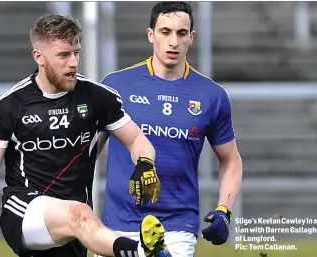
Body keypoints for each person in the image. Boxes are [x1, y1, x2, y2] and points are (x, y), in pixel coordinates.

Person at [0, 14, 171, 257]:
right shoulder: (9, 107)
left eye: (76, 53)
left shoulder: (98, 97)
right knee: (78, 213)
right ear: (39, 56)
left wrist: (145, 163)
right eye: (63, 55)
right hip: (24, 211)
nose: (73, 63)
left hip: (73, 226)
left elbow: (137, 140)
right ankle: (139, 251)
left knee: (78, 213)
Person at [96, 2, 243, 257]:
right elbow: (87, 151)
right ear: (151, 34)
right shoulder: (116, 85)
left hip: (177, 226)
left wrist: (224, 209)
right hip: (117, 224)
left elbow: (230, 159)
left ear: (191, 38)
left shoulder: (211, 95)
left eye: (181, 33)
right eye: (165, 32)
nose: (173, 41)